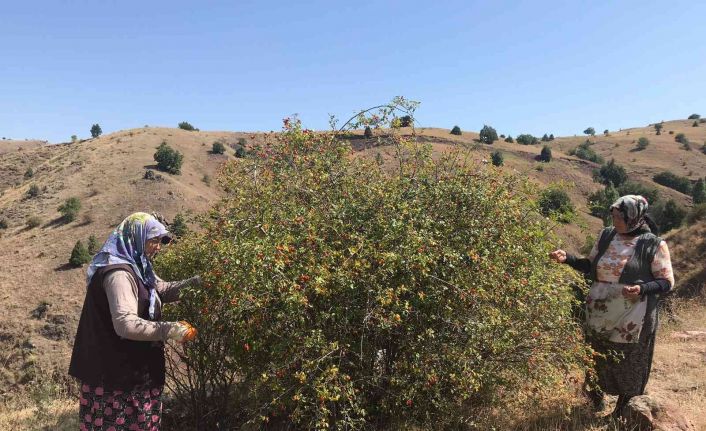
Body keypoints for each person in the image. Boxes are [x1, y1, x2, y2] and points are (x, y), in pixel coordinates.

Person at [69, 212, 200, 431]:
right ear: (135, 237)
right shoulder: (119, 274)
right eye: (153, 240)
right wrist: (170, 329)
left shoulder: (139, 267)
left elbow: (163, 290)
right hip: (115, 381)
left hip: (132, 375)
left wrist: (200, 282)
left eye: (159, 242)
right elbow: (126, 324)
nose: (157, 247)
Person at [549, 195, 674, 417]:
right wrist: (567, 258)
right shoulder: (607, 235)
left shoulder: (654, 244)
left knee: (628, 361)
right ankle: (594, 400)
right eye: (613, 216)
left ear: (635, 217)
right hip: (599, 311)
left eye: (620, 217)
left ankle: (623, 411)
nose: (615, 221)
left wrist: (642, 289)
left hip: (633, 316)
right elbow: (589, 265)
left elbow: (666, 281)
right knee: (596, 356)